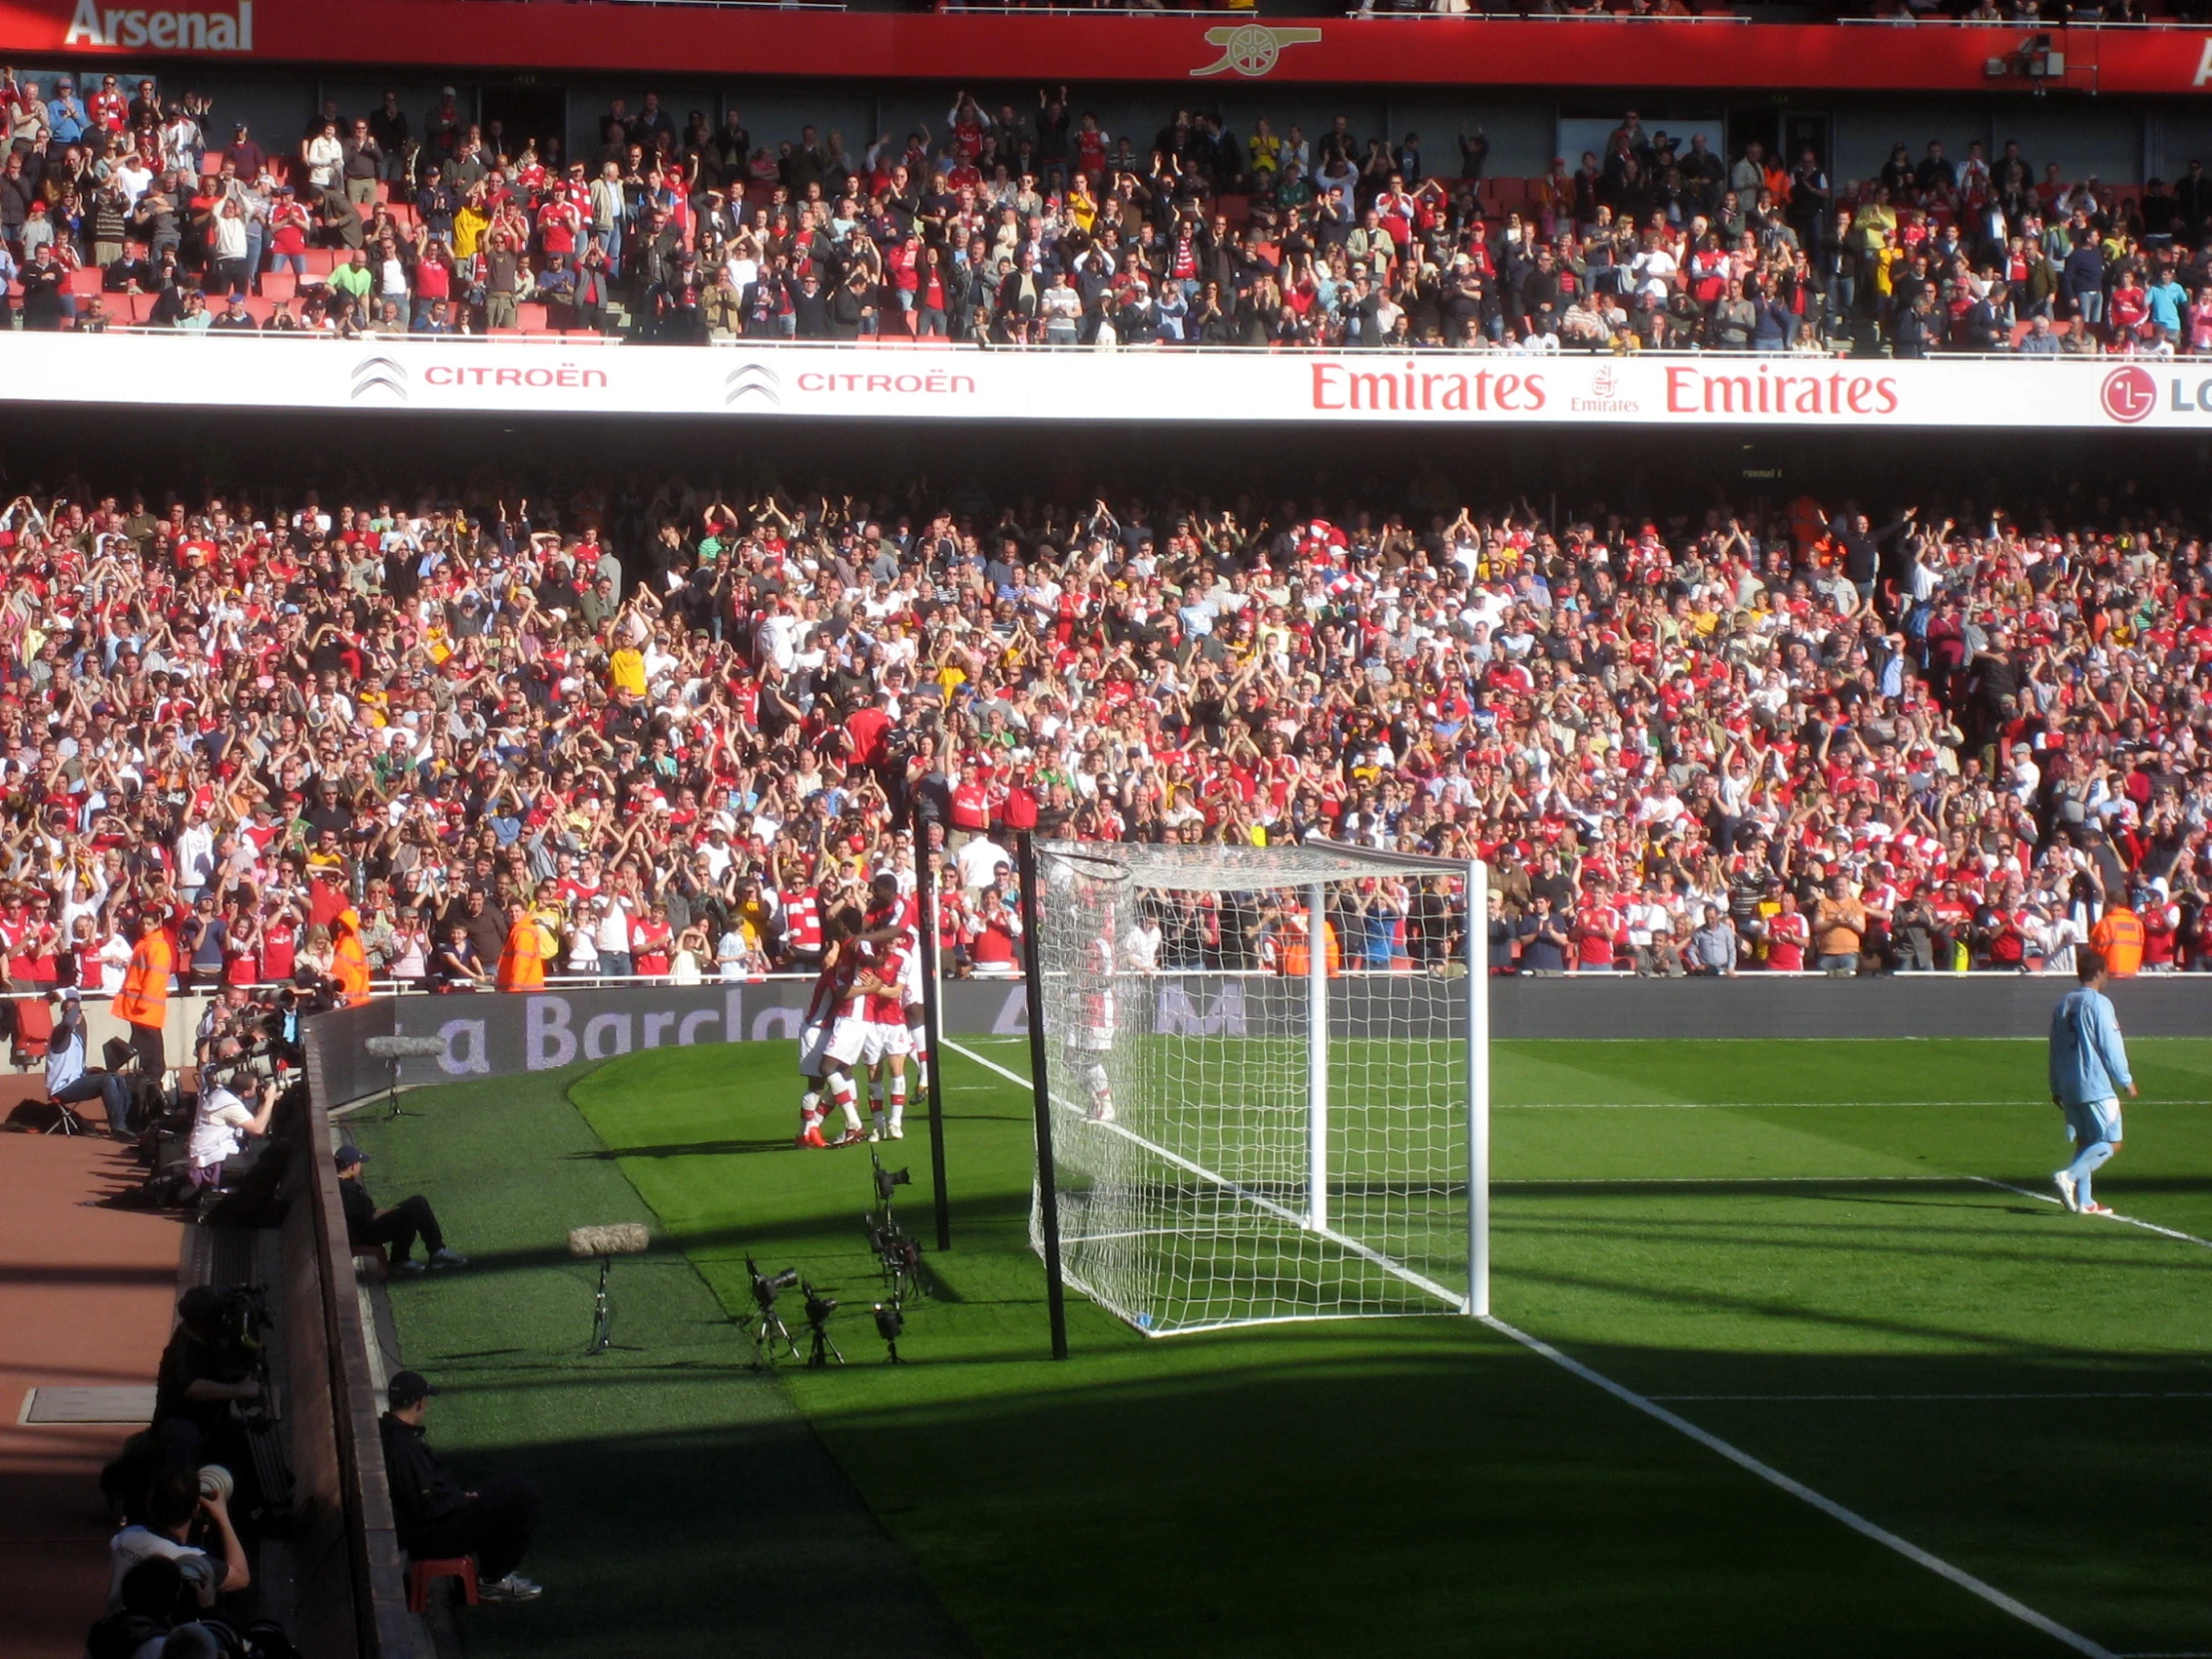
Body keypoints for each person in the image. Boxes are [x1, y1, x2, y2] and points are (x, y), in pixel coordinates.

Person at [379, 1371, 543, 1602]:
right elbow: (424, 1509)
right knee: (523, 1495)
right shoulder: (405, 1449)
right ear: (420, 1404)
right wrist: (461, 1499)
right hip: (432, 1536)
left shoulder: (388, 1434)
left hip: (420, 1529)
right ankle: (493, 1579)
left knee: (508, 1489)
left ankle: (492, 1576)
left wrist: (459, 1497)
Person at [2048, 946, 2134, 1218]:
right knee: (2112, 1142)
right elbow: (2111, 1044)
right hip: (2094, 1083)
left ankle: (2085, 1201)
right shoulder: (2099, 1003)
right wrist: (2125, 1079)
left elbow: (2054, 1047)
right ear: (2099, 972)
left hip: (2068, 1083)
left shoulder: (2063, 1004)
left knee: (2085, 1142)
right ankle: (2070, 1177)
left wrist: (2055, 1085)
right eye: (2106, 971)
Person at [105, 1463, 250, 1613]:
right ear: (195, 1509)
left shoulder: (125, 1537)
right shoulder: (188, 1561)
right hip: (159, 1636)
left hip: (115, 1631)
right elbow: (241, 1576)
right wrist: (222, 1517)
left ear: (151, 1503)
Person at [336, 1144, 467, 1272]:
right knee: (415, 1206)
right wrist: (395, 1212)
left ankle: (416, 1256)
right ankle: (430, 1252)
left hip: (359, 1230)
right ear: (353, 1166)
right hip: (362, 1234)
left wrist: (394, 1211)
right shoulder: (347, 1189)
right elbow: (366, 1217)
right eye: (359, 1163)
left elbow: (369, 1212)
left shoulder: (342, 1185)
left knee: (414, 1205)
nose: (361, 1166)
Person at [185, 1040, 280, 1192]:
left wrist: (264, 1101)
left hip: (215, 1157)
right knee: (269, 1158)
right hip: (211, 1163)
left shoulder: (223, 1095)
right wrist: (269, 1099)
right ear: (246, 1092)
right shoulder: (228, 1103)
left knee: (266, 1149)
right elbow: (257, 1129)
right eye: (255, 1088)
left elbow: (254, 1121)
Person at [45, 985, 133, 1136]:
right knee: (106, 1081)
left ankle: (129, 1122)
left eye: (79, 1012)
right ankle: (117, 1127)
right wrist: (73, 999)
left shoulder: (76, 1037)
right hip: (62, 1088)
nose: (78, 1015)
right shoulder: (59, 1033)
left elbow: (73, 1067)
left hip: (75, 1081)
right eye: (74, 1012)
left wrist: (90, 1071)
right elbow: (68, 1022)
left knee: (115, 1077)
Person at [111, 911, 174, 1079]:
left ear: (156, 924)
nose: (145, 927)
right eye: (143, 923)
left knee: (151, 1057)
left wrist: (142, 1004)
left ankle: (153, 1088)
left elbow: (155, 978)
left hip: (145, 1009)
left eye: (149, 924)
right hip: (140, 1008)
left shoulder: (156, 946)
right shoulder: (146, 944)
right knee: (145, 1053)